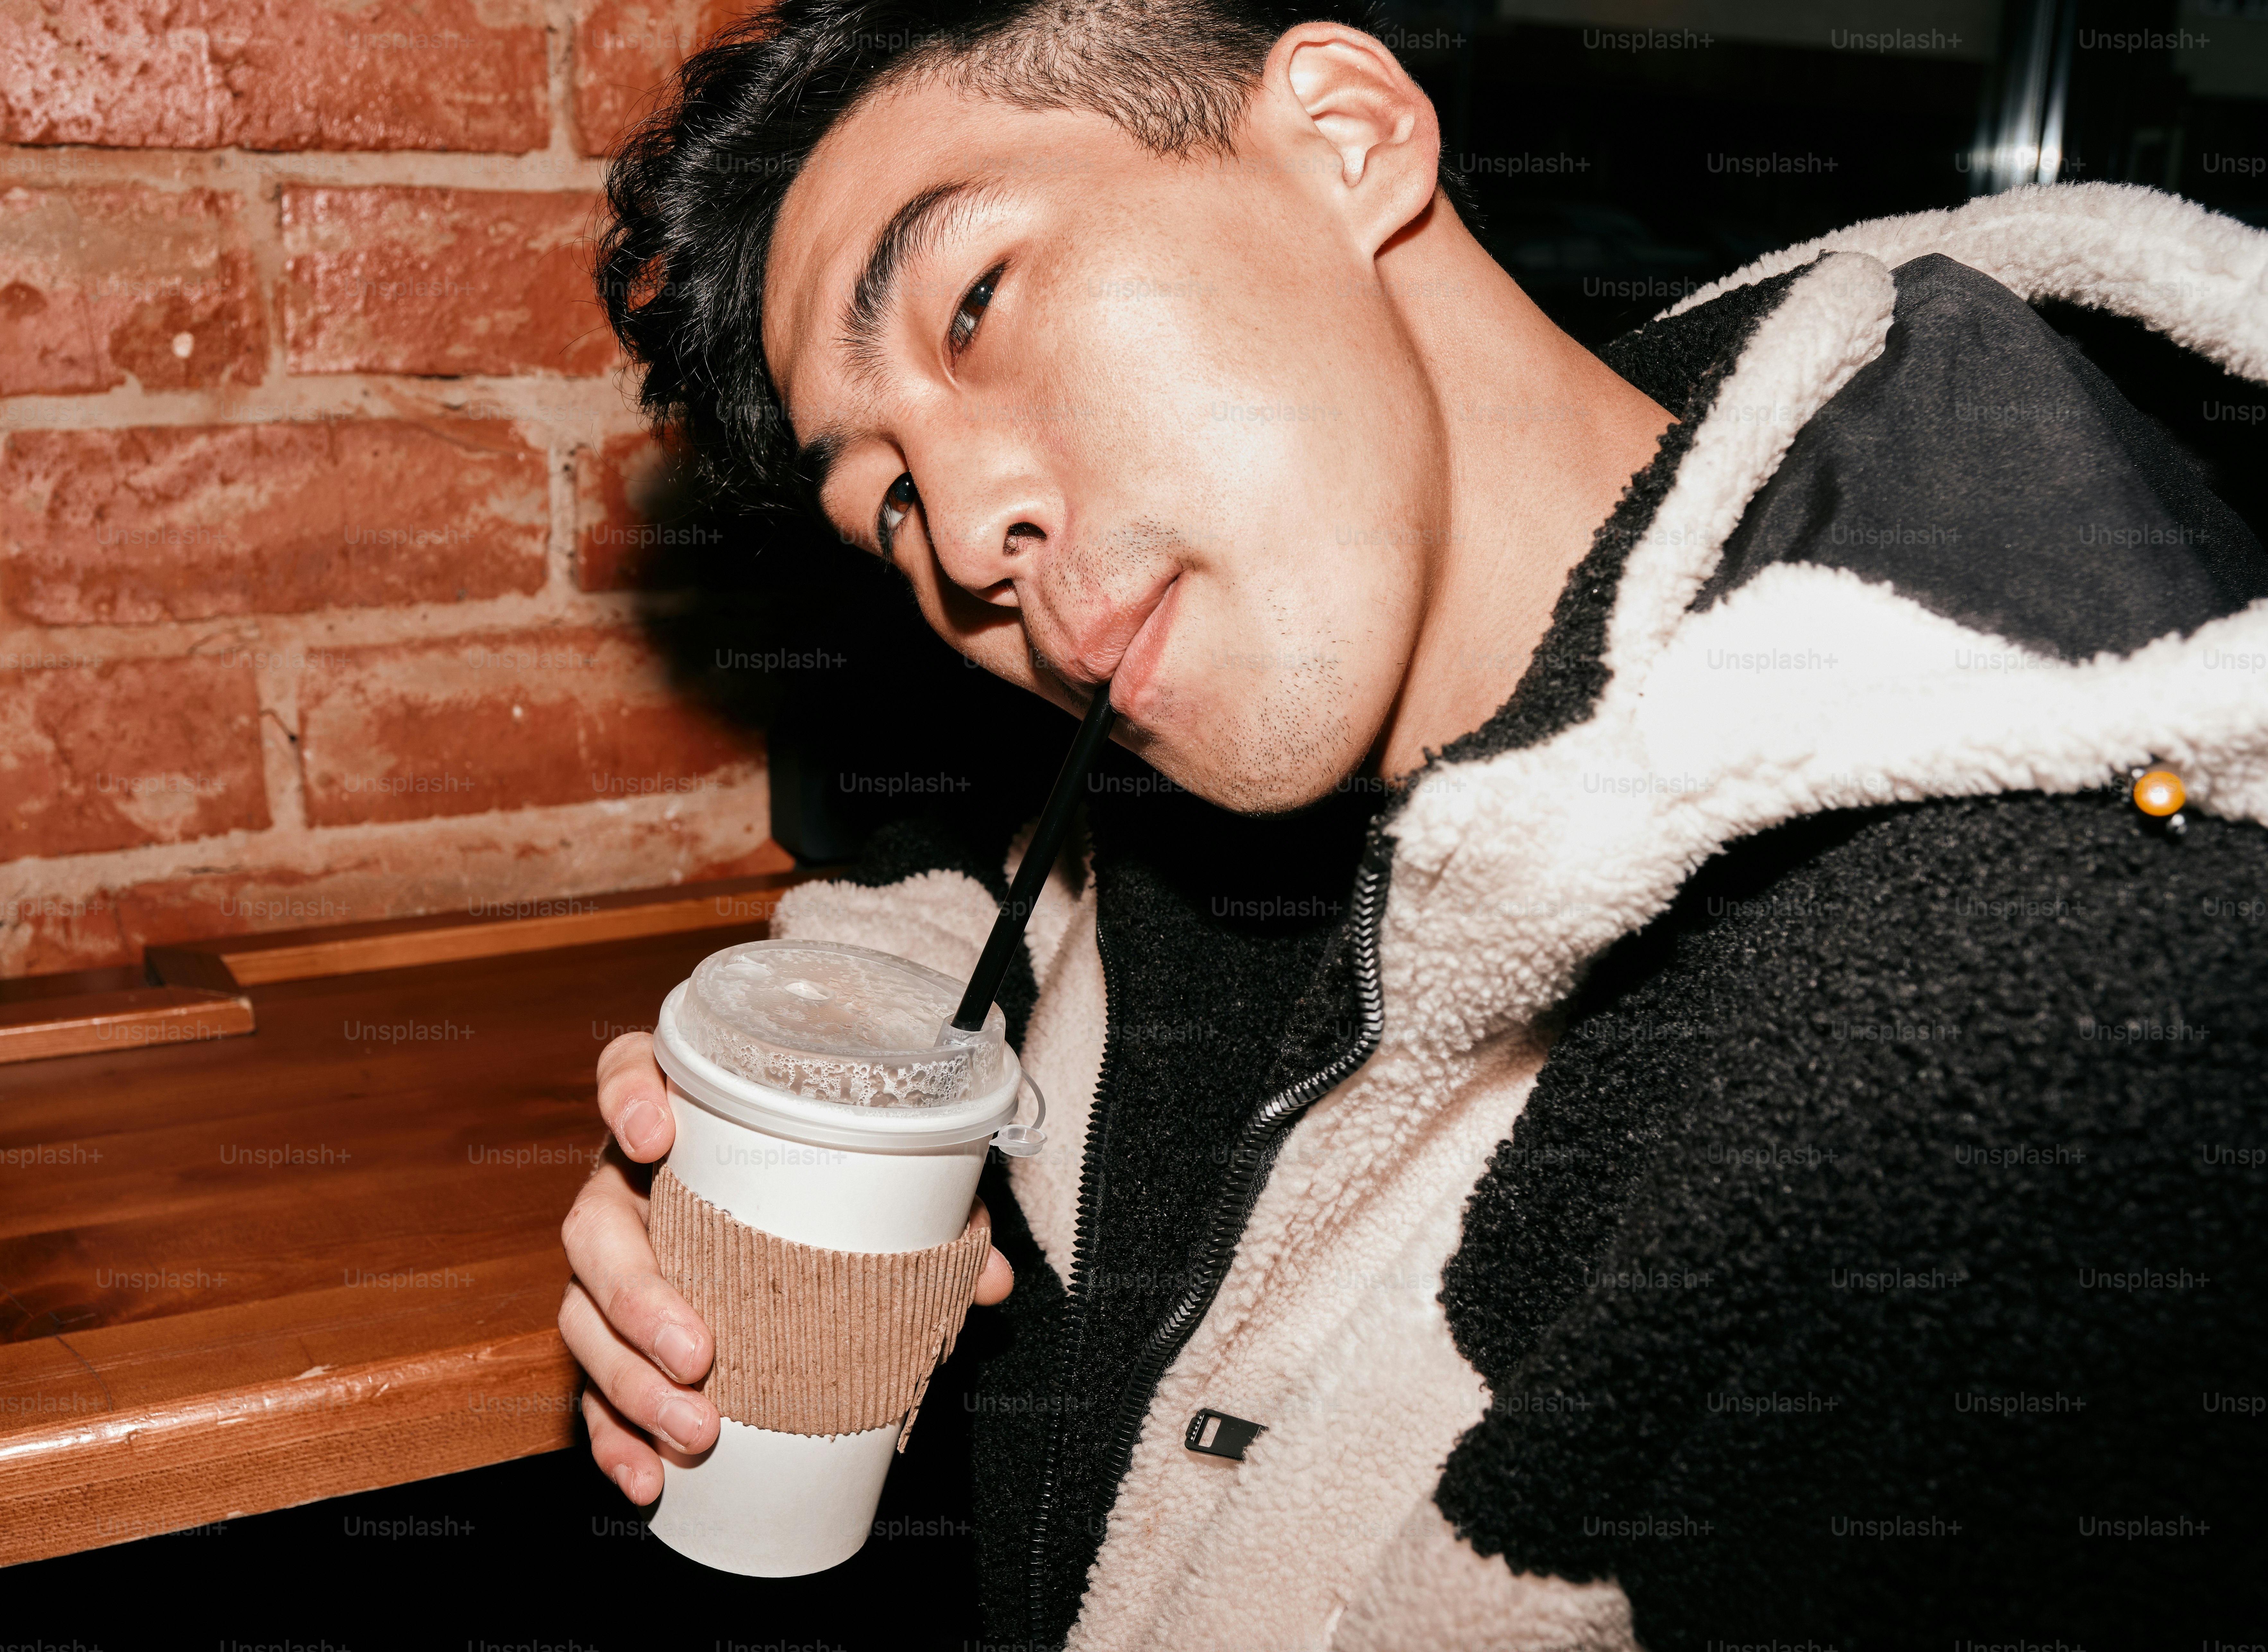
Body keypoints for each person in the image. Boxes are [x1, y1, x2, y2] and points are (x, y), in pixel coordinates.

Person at [557, 2, 2268, 1645]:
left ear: (1348, 135)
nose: (974, 532)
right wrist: (787, 1074)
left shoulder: (2039, 1051)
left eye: (979, 303)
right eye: (896, 503)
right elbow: (1039, 917)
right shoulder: (1308, 703)